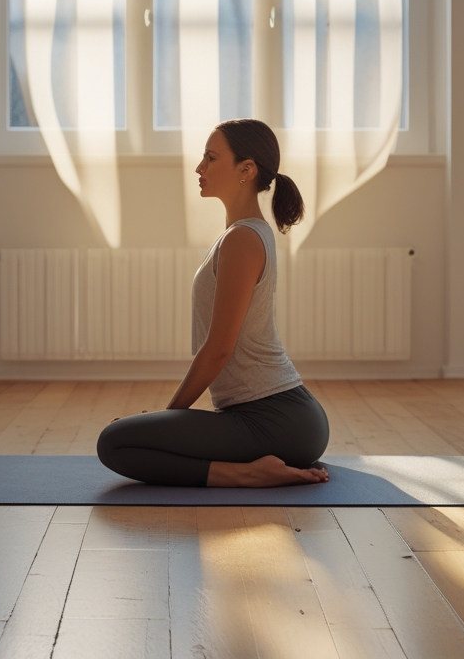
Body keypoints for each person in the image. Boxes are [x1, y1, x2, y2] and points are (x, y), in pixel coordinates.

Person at [96, 118, 330, 488]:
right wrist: (162, 425)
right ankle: (248, 468)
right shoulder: (242, 235)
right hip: (281, 420)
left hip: (276, 420)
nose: (199, 168)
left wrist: (169, 417)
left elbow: (219, 349)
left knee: (114, 443)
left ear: (246, 169)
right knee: (124, 438)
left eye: (210, 157)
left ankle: (246, 474)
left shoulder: (242, 240)